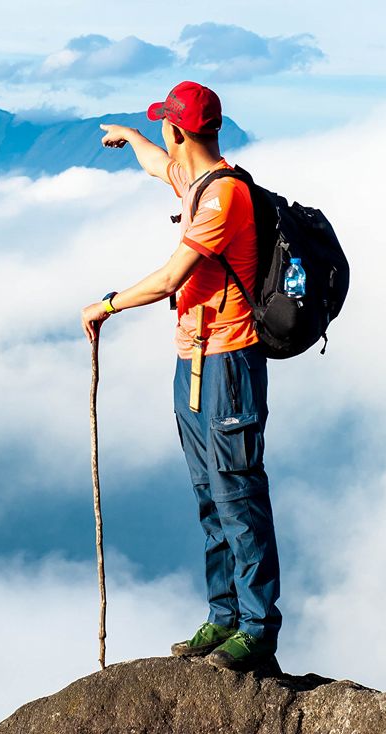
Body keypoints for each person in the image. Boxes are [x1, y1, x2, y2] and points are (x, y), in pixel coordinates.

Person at [79, 80, 281, 672]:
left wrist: (107, 304)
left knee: (238, 494)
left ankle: (256, 628)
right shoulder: (194, 180)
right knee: (208, 495)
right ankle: (223, 617)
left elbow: (171, 278)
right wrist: (130, 136)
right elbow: (157, 165)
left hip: (228, 364)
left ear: (179, 129)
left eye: (161, 126)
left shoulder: (223, 198)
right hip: (193, 363)